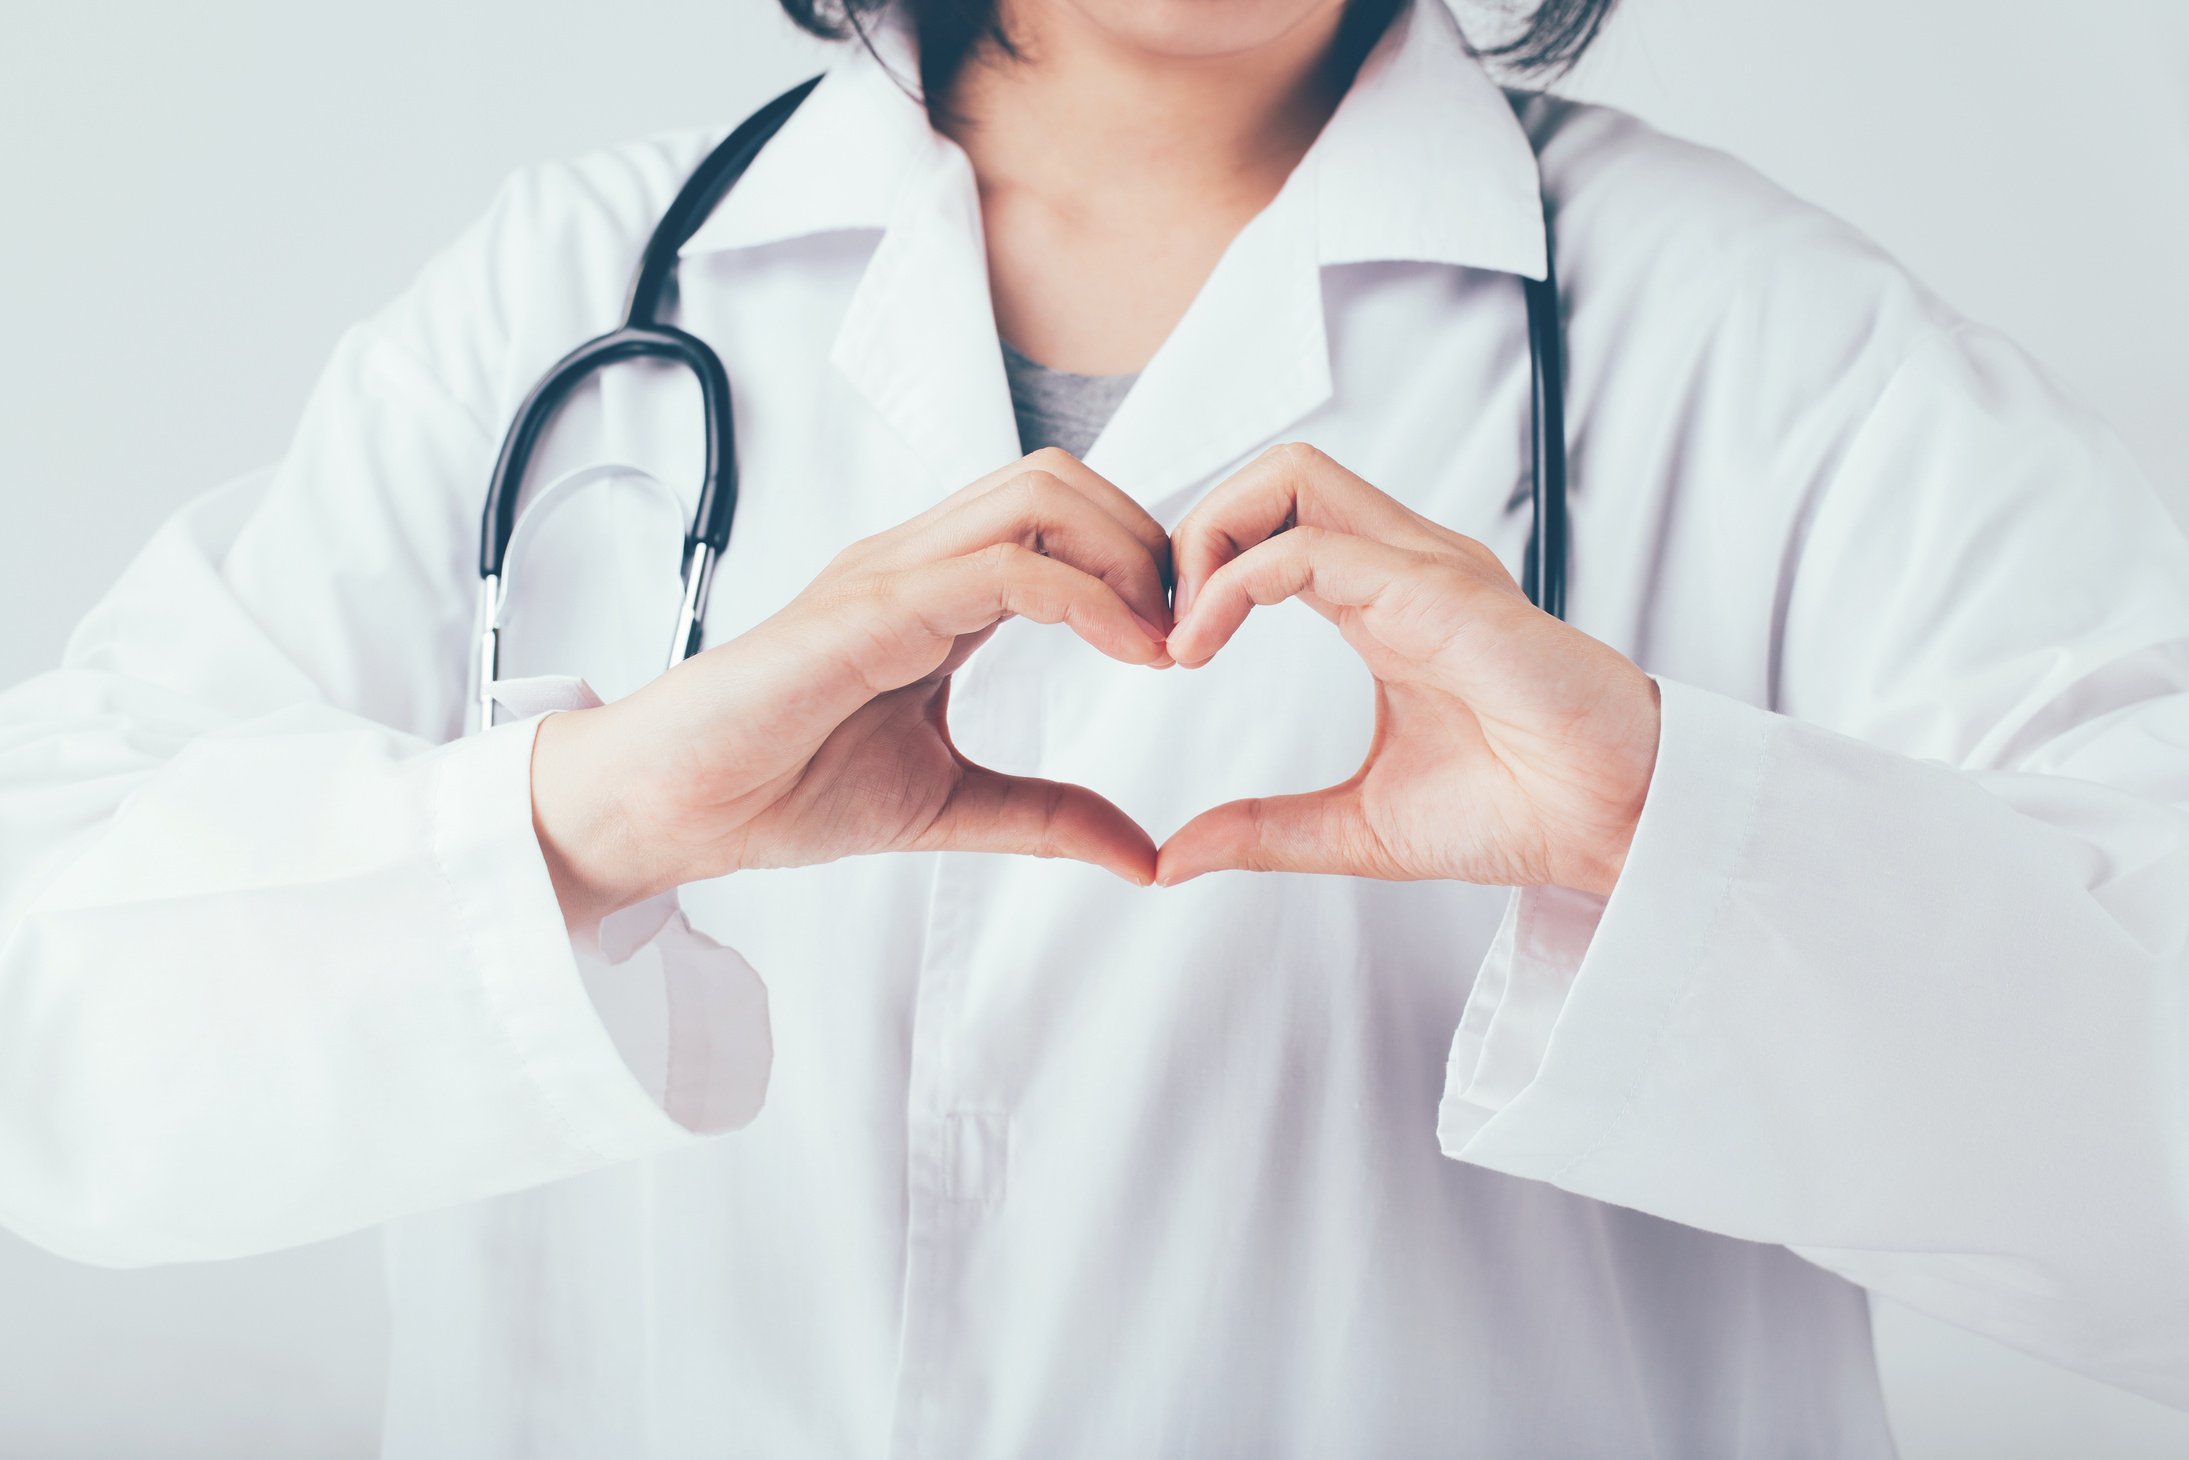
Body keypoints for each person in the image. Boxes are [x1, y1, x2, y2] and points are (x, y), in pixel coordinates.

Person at [1, 0, 2185, 1452]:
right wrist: (586, 818)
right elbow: (47, 1016)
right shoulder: (561, 306)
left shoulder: (1767, 351)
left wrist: (1679, 833)